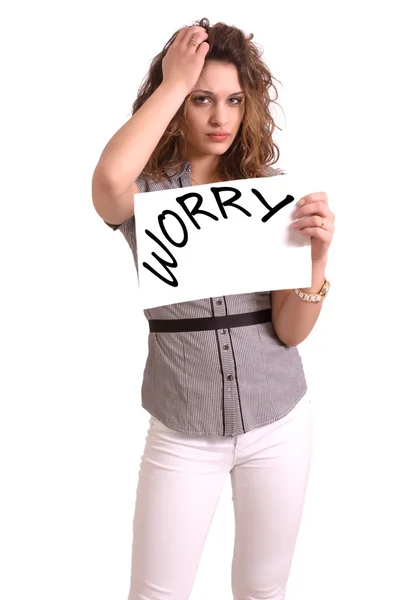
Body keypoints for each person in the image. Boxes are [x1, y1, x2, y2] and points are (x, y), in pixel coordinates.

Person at [91, 17, 335, 600]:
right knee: (156, 593)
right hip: (183, 426)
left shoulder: (270, 191)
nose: (220, 117)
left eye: (232, 100)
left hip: (279, 419)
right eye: (202, 99)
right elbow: (106, 182)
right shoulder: (146, 194)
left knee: (263, 589)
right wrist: (173, 83)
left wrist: (318, 261)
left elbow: (290, 332)